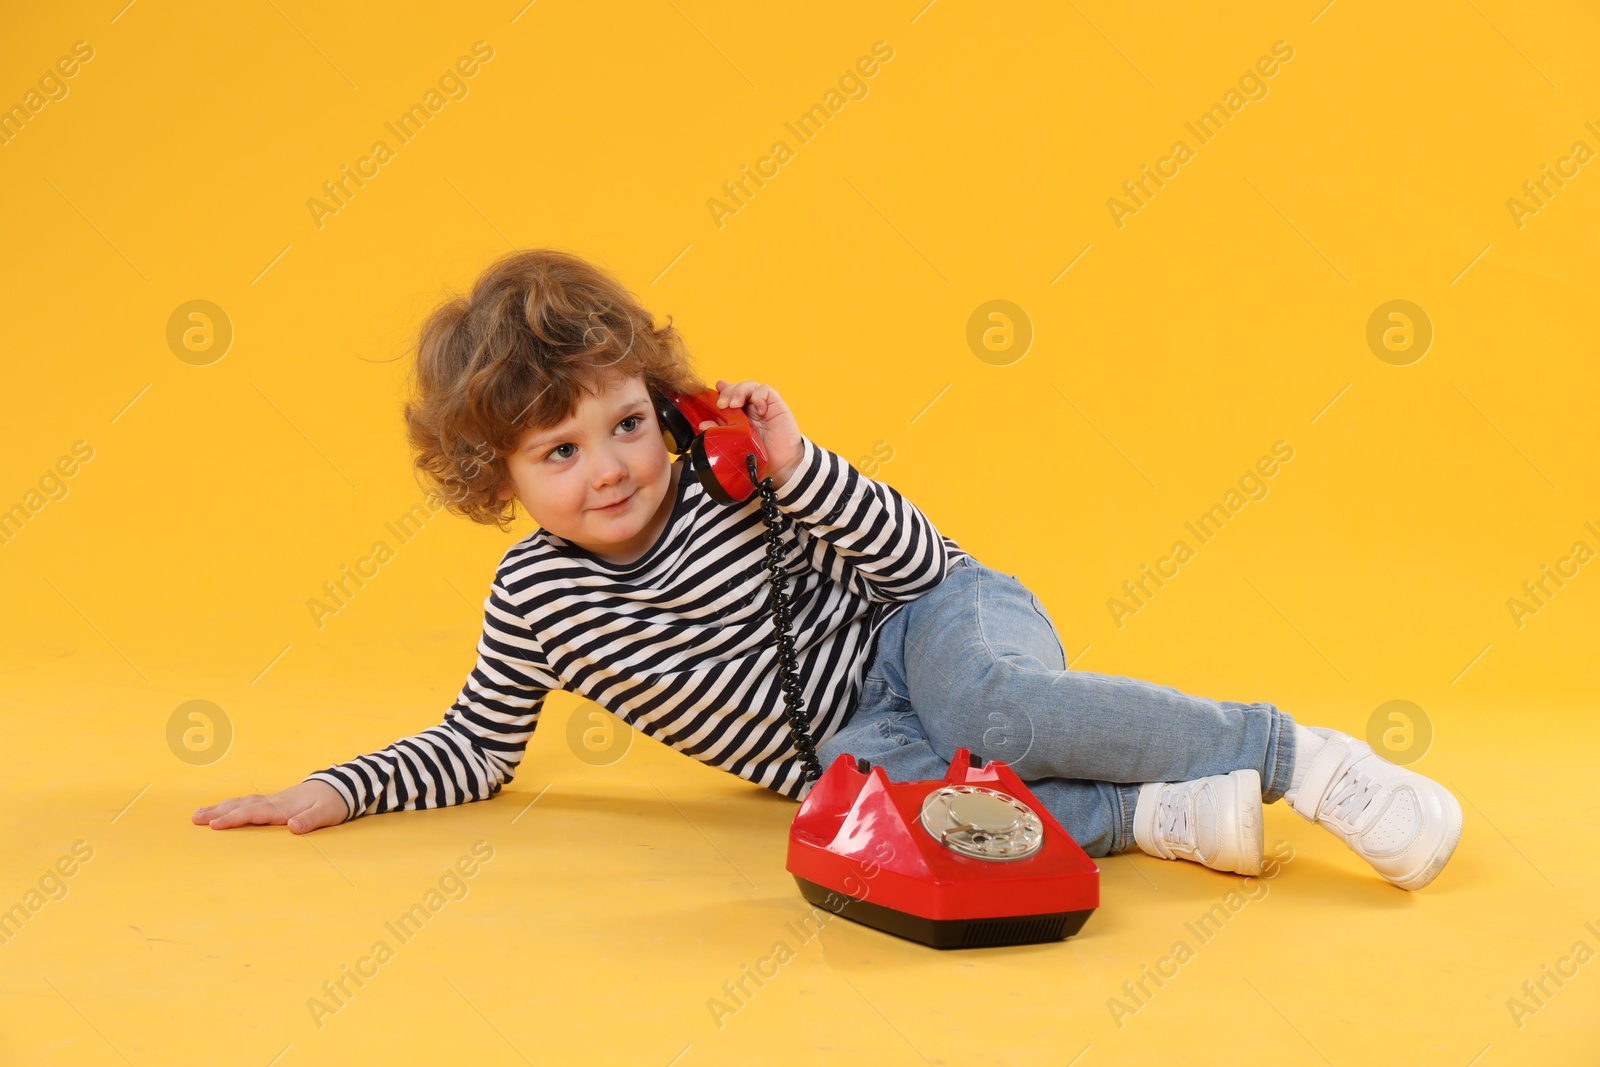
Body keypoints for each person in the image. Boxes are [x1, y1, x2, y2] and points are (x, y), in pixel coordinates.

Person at [192, 248, 1463, 891]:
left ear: (662, 397)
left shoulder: (735, 475)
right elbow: (476, 748)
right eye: (560, 449)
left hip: (939, 624)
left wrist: (797, 467)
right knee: (874, 817)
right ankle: (1159, 817)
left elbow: (916, 562)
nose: (612, 466)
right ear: (496, 478)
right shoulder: (536, 601)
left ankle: (1300, 758)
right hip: (854, 741)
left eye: (627, 420)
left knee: (983, 713)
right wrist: (335, 790)